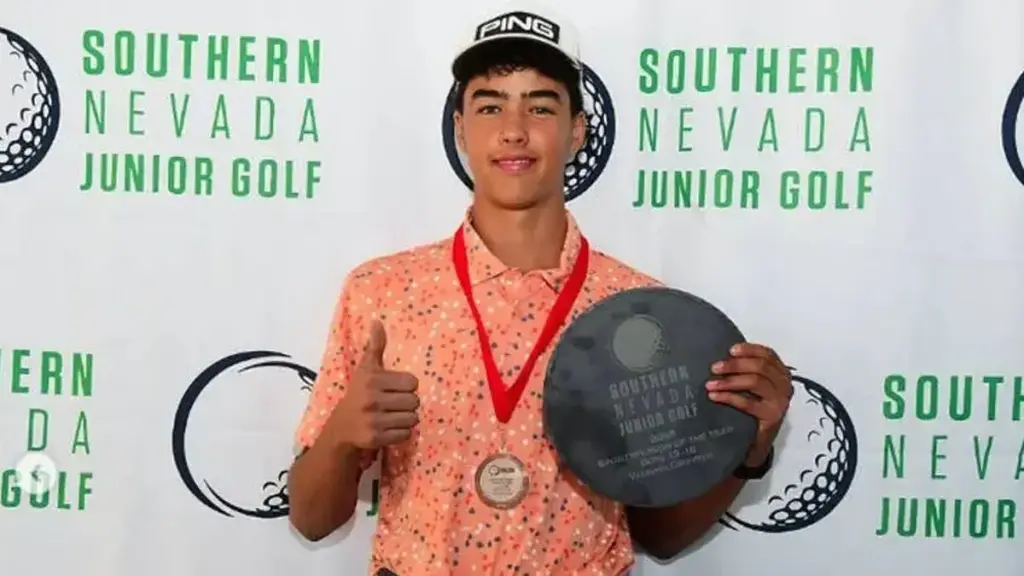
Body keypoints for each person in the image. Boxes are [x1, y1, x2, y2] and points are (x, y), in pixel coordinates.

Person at [287, 2, 793, 574]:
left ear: (577, 129)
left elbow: (660, 536)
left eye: (540, 106)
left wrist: (749, 445)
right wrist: (342, 436)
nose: (513, 130)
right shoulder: (382, 293)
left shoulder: (639, 312)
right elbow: (311, 518)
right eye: (490, 105)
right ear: (460, 128)